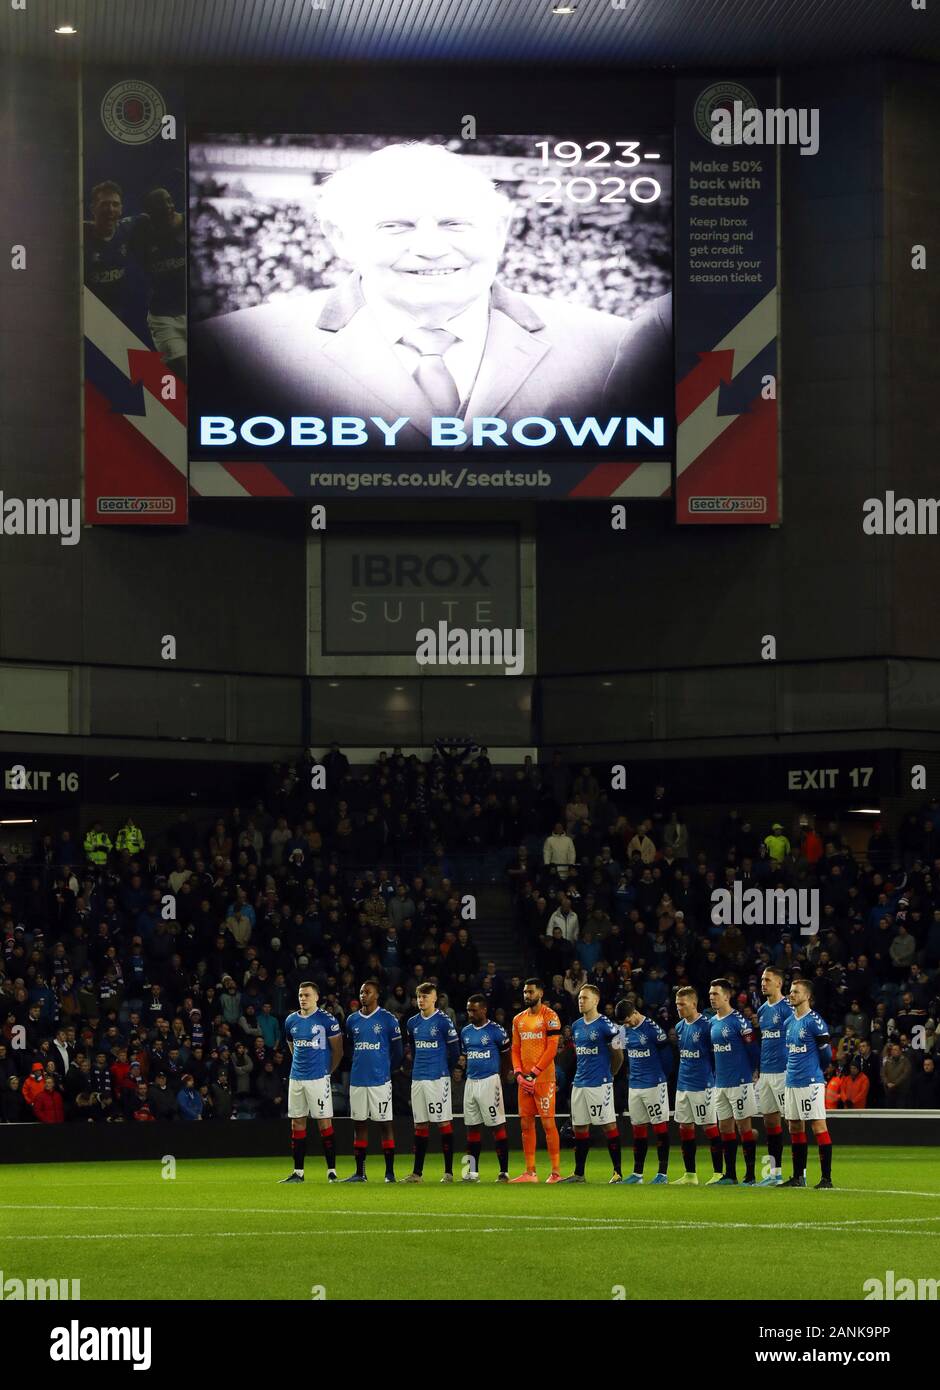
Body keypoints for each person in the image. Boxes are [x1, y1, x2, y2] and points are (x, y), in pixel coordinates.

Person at [193, 142, 670, 451]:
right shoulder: (230, 348)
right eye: (395, 225)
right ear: (338, 237)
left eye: (454, 222)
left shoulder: (613, 346)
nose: (430, 247)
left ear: (502, 230)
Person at [280, 981, 343, 1184]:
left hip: (318, 1078)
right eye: (300, 995)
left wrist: (327, 1072)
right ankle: (298, 1172)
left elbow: (338, 1051)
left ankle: (331, 1171)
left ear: (316, 997)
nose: (303, 998)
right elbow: (292, 1047)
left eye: (307, 995)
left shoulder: (327, 1020)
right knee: (297, 1122)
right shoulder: (291, 1020)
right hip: (296, 1078)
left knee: (324, 1122)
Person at [560, 984, 624, 1183]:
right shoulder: (577, 1025)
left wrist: (610, 1074)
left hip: (600, 1083)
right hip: (579, 1083)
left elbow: (619, 1055)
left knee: (608, 1125)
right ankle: (579, 1173)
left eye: (585, 998)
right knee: (579, 1128)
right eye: (579, 997)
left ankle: (617, 1172)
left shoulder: (607, 1025)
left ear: (596, 1001)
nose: (581, 1001)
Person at [399, 983, 461, 1183]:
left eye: (425, 996)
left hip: (437, 1078)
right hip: (418, 1078)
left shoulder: (443, 1022)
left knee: (443, 1122)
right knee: (420, 1124)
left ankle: (448, 1172)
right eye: (419, 996)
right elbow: (415, 1049)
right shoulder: (412, 1023)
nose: (421, 1000)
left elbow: (454, 1053)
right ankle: (417, 1174)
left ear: (435, 999)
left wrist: (444, 1070)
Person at [343, 979, 403, 1182]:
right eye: (361, 992)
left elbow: (398, 1052)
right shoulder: (352, 1020)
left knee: (385, 1125)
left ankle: (389, 1173)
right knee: (359, 1125)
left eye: (367, 992)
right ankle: (360, 1173)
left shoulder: (388, 1019)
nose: (363, 995)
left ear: (376, 995)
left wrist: (385, 1068)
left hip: (380, 1081)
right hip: (358, 1080)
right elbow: (350, 1047)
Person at [782, 978, 834, 1189]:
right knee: (794, 1125)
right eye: (790, 991)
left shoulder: (815, 1021)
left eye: (795, 992)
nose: (791, 994)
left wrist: (814, 1071)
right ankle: (798, 1176)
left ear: (807, 996)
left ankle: (826, 1179)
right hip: (791, 1080)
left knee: (817, 1125)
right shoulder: (788, 1022)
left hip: (810, 1081)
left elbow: (827, 1056)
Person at [509, 978, 563, 1183]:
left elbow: (552, 1048)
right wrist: (518, 1073)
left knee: (548, 1124)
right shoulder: (518, 1019)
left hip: (544, 1079)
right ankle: (530, 1172)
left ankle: (556, 1173)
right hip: (525, 1081)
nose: (526, 996)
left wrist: (534, 1072)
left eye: (530, 992)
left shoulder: (550, 1016)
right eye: (524, 992)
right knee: (525, 1124)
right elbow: (515, 1049)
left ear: (540, 993)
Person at [708, 978, 760, 1185]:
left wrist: (753, 1072)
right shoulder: (711, 1022)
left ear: (727, 996)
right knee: (725, 1128)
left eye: (716, 994)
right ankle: (730, 1174)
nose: (712, 998)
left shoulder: (739, 1022)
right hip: (720, 1083)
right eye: (710, 994)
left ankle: (750, 1174)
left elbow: (753, 1050)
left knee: (744, 1127)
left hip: (740, 1082)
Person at [615, 995, 672, 1184]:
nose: (627, 1024)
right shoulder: (624, 1030)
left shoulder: (652, 1029)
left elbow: (667, 1056)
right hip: (635, 1085)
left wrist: (663, 1078)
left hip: (654, 1084)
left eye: (628, 1020)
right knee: (638, 1129)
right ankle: (637, 1174)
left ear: (634, 1013)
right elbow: (619, 1054)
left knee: (660, 1127)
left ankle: (662, 1174)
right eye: (624, 1023)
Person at [457, 993, 512, 1182]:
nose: (470, 1013)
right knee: (471, 1126)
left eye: (473, 1010)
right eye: (468, 1010)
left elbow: (506, 1056)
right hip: (471, 1082)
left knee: (497, 1125)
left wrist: (504, 1077)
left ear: (484, 1010)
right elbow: (465, 1055)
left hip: (490, 1081)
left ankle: (504, 1172)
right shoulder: (465, 1032)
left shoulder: (497, 1030)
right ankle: (472, 1172)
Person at [673, 985, 723, 1186]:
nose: (679, 1008)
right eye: (677, 1005)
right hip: (683, 1084)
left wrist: (713, 1078)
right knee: (685, 1128)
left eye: (682, 1004)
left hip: (703, 1084)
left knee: (709, 1127)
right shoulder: (679, 1027)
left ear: (693, 1004)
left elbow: (714, 1056)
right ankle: (690, 1174)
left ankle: (719, 1173)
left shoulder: (707, 1026)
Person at [754, 966, 793, 1187]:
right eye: (762, 980)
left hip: (784, 1071)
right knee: (770, 1121)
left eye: (767, 980)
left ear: (778, 983)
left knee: (793, 1122)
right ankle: (774, 1173)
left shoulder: (787, 1008)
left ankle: (800, 1172)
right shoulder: (761, 1010)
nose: (763, 983)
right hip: (766, 1073)